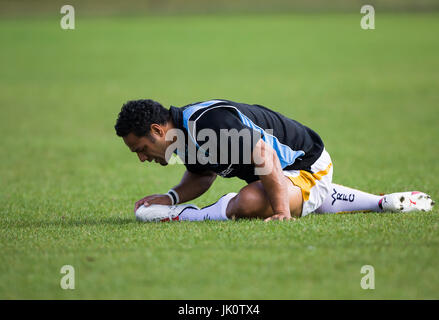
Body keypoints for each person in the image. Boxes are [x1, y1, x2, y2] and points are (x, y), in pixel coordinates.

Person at [114, 99, 434, 222]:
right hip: (291, 175)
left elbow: (264, 155)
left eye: (140, 148)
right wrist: (170, 196)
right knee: (265, 193)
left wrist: (281, 213)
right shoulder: (181, 135)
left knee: (251, 200)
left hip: (307, 166)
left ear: (157, 130)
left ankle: (182, 217)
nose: (142, 158)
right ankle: (381, 202)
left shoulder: (205, 123)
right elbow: (202, 175)